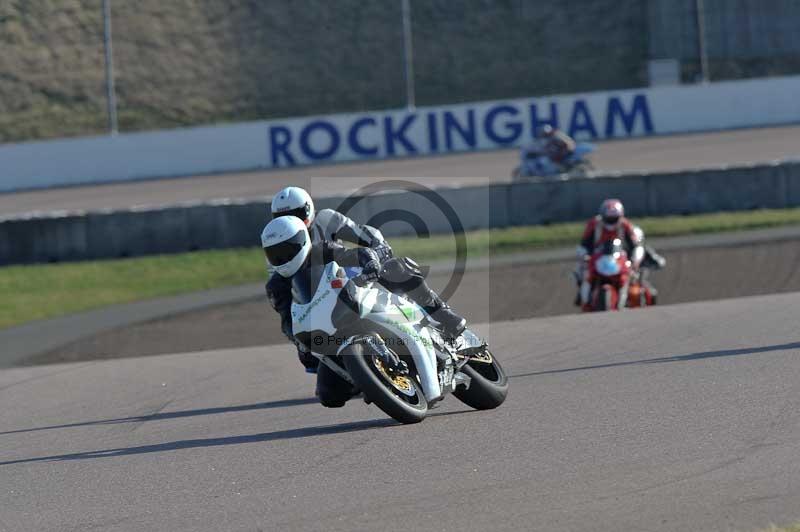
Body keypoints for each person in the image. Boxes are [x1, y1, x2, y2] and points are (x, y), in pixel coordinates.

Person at [262, 215, 466, 407]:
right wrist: (301, 344)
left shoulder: (321, 250)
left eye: (289, 250)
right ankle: (372, 380)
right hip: (330, 328)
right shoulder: (277, 286)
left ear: (303, 240)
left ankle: (442, 314)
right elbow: (287, 320)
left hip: (355, 299)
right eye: (276, 254)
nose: (284, 258)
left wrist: (370, 264)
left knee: (397, 268)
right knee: (329, 395)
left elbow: (355, 254)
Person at [575, 199, 644, 310]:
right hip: (598, 258)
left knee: (632, 277)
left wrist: (634, 260)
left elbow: (635, 246)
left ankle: (627, 300)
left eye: (614, 218)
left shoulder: (625, 225)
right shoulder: (593, 224)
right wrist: (584, 256)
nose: (611, 221)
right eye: (609, 218)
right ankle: (585, 301)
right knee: (583, 274)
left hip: (619, 259)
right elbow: (584, 244)